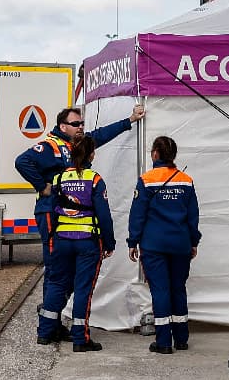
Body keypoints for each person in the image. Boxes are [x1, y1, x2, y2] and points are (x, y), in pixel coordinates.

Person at [16, 103, 141, 265]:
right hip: (49, 208)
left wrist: (130, 120)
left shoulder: (78, 144)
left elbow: (101, 134)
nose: (80, 127)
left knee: (65, 265)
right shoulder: (50, 146)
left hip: (65, 212)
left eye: (82, 123)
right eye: (75, 124)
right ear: (62, 127)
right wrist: (42, 186)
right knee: (53, 261)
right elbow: (21, 161)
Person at [37, 137, 114, 351]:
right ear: (92, 155)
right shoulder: (95, 179)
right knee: (82, 289)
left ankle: (44, 333)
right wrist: (109, 242)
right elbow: (104, 215)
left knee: (56, 283)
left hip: (61, 240)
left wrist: (51, 237)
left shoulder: (59, 178)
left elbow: (50, 208)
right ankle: (81, 339)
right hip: (87, 241)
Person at [128, 135, 199, 354]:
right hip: (180, 244)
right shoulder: (186, 180)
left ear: (156, 154)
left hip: (154, 245)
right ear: (173, 155)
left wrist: (133, 241)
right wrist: (193, 242)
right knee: (178, 288)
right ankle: (181, 339)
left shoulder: (147, 179)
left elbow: (137, 214)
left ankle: (163, 343)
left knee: (160, 290)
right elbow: (193, 216)